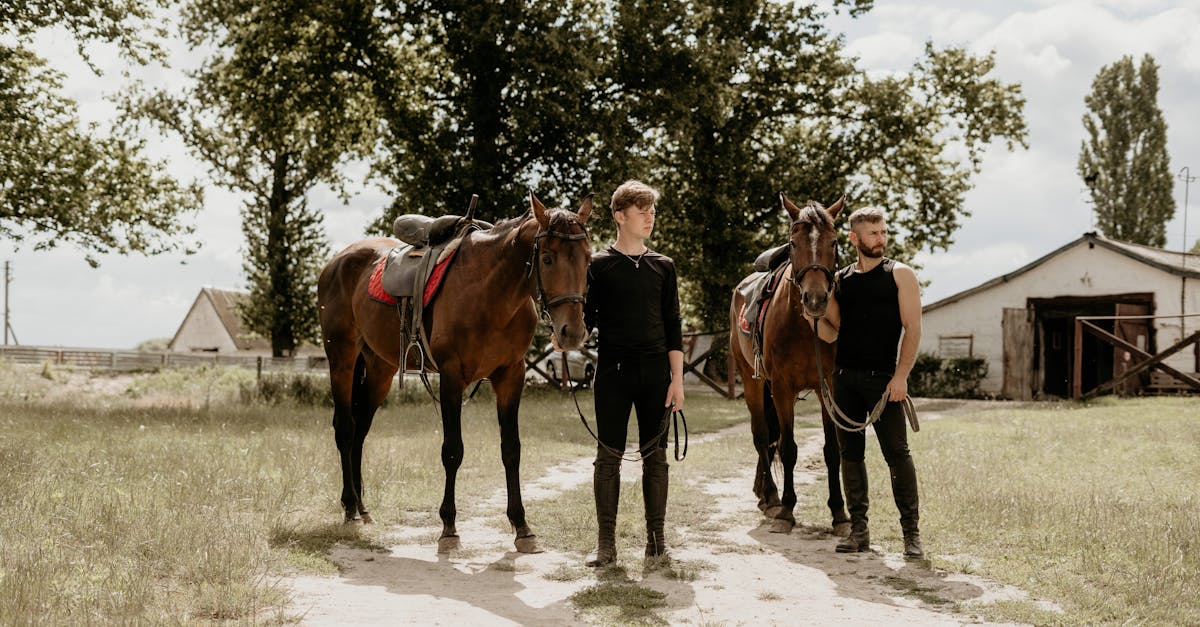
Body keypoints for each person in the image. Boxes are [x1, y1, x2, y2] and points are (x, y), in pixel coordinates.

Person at [581, 179, 685, 567]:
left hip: (657, 374)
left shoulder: (663, 266)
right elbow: (585, 321)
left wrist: (677, 381)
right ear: (619, 216)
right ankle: (605, 545)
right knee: (607, 457)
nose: (649, 218)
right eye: (641, 212)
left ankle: (656, 541)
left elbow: (673, 325)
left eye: (652, 211)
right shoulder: (597, 266)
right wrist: (566, 336)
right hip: (613, 373)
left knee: (655, 457)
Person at [811, 206, 925, 559]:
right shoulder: (842, 280)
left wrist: (901, 376)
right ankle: (859, 531)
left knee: (898, 456)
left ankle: (911, 535)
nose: (881, 239)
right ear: (854, 238)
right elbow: (832, 333)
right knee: (851, 456)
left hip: (884, 382)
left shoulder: (899, 275)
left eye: (883, 232)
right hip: (844, 378)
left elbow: (914, 328)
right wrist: (813, 317)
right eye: (873, 233)